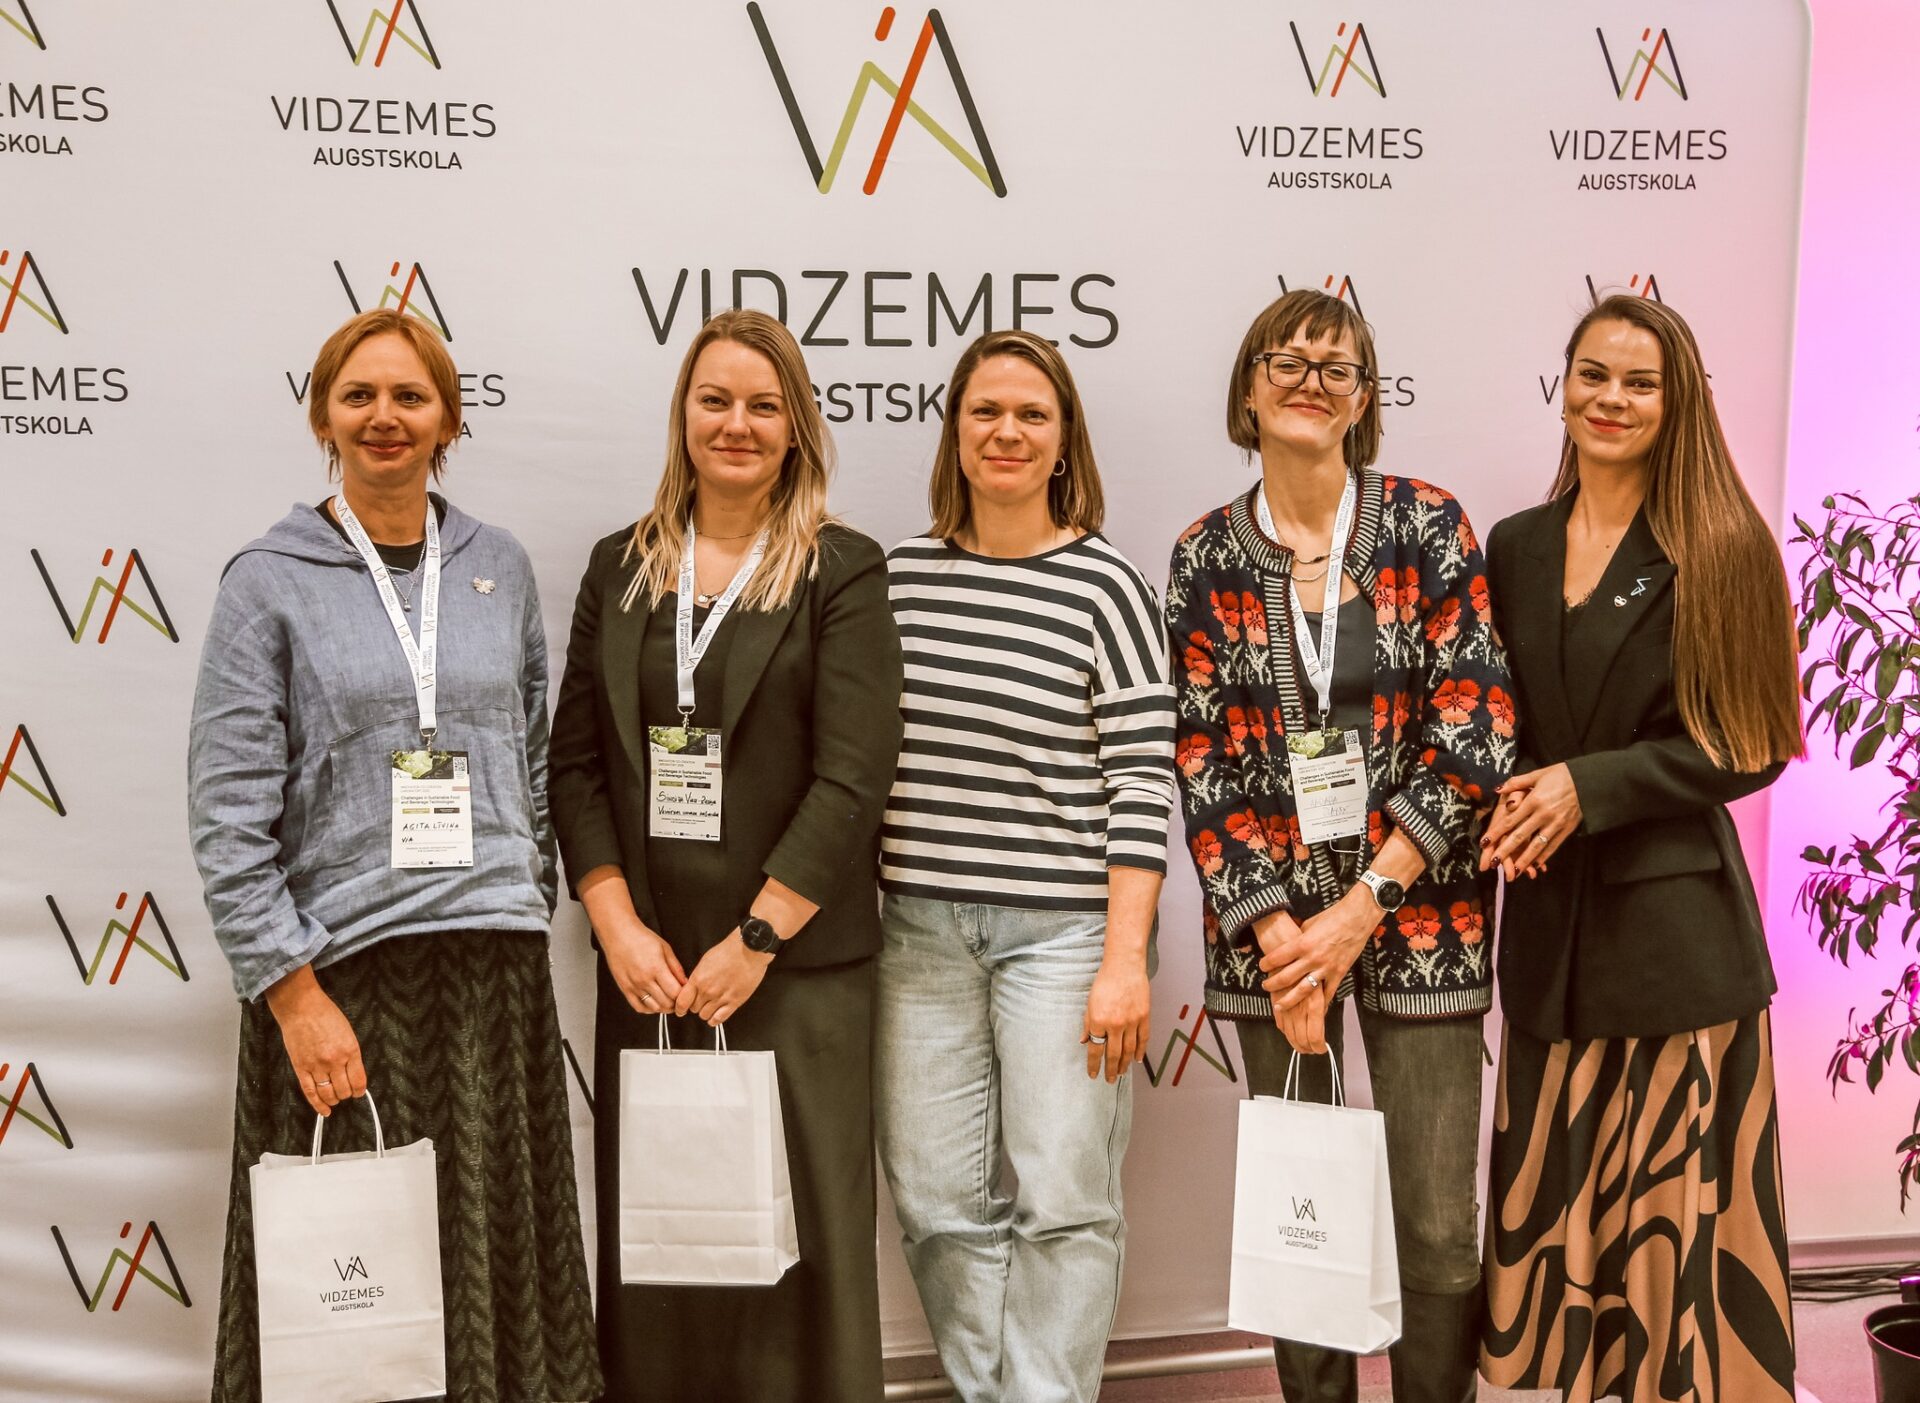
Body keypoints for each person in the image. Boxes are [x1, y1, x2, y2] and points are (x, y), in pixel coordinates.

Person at [188, 309, 600, 1403]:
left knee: (496, 1276)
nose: (386, 416)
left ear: (449, 421)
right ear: (323, 416)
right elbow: (227, 810)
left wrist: (526, 892)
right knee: (351, 1299)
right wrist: (291, 993)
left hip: (494, 976)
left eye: (410, 396)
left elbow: (526, 746)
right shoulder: (267, 580)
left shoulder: (498, 565)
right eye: (359, 395)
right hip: (345, 979)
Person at [547, 308, 902, 1402]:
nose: (736, 424)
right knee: (670, 1250)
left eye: (762, 404)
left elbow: (854, 776)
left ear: (796, 428)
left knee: (803, 1249)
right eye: (715, 400)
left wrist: (757, 936)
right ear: (684, 416)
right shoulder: (621, 566)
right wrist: (615, 924)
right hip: (650, 971)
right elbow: (574, 763)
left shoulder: (839, 569)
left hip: (794, 971)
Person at [1165, 288, 1513, 1403]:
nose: (1311, 382)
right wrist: (1282, 934)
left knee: (1436, 1222)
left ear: (1365, 399)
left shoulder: (1428, 525)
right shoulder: (1204, 554)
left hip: (1424, 920)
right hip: (1273, 947)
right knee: (1300, 1212)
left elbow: (1476, 724)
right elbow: (1200, 757)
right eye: (1289, 361)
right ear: (1249, 387)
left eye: (1337, 367)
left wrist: (1362, 906)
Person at [1477, 294, 1803, 1402]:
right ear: (1563, 386)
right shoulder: (1514, 544)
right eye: (1593, 374)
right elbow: (1495, 716)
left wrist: (1590, 786)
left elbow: (1753, 739)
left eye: (1639, 382)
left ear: (1677, 404)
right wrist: (1510, 791)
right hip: (1547, 935)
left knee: (1673, 1249)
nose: (1611, 399)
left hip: (1676, 954)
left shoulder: (1723, 545)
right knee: (1550, 1223)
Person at [874, 329, 1178, 1403]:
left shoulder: (1109, 585)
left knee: (1064, 1201)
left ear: (1064, 439)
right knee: (935, 1201)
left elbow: (1142, 781)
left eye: (1032, 414)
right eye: (986, 411)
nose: (1007, 432)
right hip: (920, 937)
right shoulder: (895, 580)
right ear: (955, 432)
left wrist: (1124, 958)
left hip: (1067, 940)